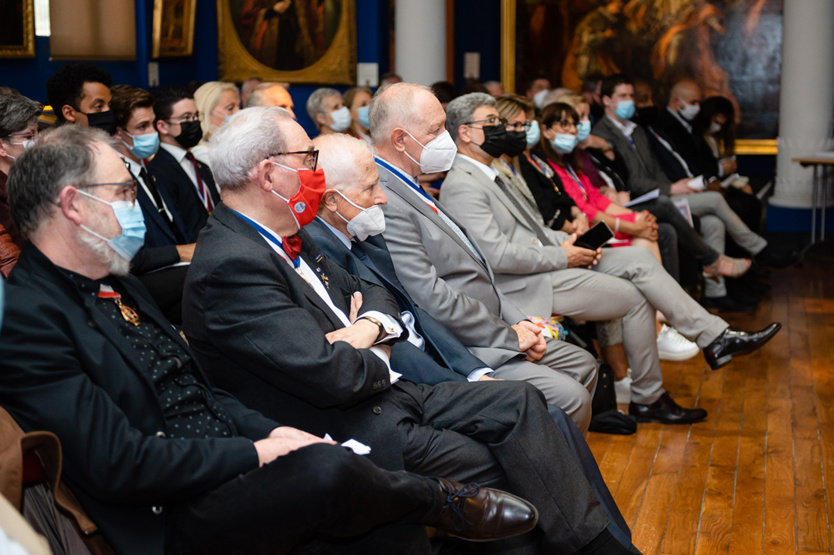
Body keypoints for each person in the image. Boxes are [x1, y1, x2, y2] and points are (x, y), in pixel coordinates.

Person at [0, 124, 537, 555]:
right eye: (121, 192)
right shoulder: (29, 321)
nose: (131, 204)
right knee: (339, 474)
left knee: (353, 487)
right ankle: (439, 501)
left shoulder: (117, 282)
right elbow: (119, 463)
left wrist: (282, 434)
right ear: (72, 205)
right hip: (173, 508)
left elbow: (206, 396)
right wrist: (255, 451)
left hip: (221, 458)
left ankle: (424, 503)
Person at [181, 106, 635, 554]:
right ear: (268, 174)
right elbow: (332, 374)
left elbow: (379, 298)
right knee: (505, 463)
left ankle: (596, 546)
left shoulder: (282, 234)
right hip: (347, 422)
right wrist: (376, 340)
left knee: (523, 402)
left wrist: (364, 330)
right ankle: (596, 549)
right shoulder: (231, 263)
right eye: (307, 160)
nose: (314, 172)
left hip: (389, 394)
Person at [308, 130, 638, 549]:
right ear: (331, 200)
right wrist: (470, 379)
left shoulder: (363, 241)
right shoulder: (320, 250)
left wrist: (473, 370)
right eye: (371, 187)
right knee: (547, 419)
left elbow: (412, 314)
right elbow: (407, 328)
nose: (383, 198)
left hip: (440, 367)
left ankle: (605, 543)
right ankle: (593, 544)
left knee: (548, 417)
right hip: (397, 396)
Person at [437, 91, 781, 424]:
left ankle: (714, 338)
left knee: (639, 260)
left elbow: (535, 228)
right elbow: (496, 257)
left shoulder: (494, 171)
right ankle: (650, 396)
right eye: (492, 121)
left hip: (546, 262)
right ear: (465, 132)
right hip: (526, 282)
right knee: (634, 297)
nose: (502, 127)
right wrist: (563, 254)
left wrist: (571, 240)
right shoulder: (464, 183)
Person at [592, 75, 797, 300]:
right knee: (716, 200)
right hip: (643, 199)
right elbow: (631, 180)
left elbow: (655, 169)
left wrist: (673, 186)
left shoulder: (636, 130)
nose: (629, 101)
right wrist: (670, 189)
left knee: (713, 223)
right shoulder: (602, 134)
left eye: (631, 96)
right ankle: (754, 250)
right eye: (623, 96)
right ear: (606, 100)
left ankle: (716, 294)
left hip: (663, 190)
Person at [109, 85, 195, 323]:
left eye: (152, 123)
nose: (152, 133)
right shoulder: (115, 180)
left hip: (173, 271)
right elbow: (126, 257)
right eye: (141, 127)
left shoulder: (150, 171)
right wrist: (182, 252)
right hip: (138, 281)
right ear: (117, 133)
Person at [0, 92, 41, 248]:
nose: (38, 142)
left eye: (38, 133)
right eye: (29, 137)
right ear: (1, 146)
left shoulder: (29, 182)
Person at [45, 63, 114, 132]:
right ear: (69, 113)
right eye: (98, 106)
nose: (108, 111)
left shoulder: (108, 141)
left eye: (110, 105)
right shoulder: (55, 143)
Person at [192, 81, 240, 163]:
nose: (238, 112)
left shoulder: (230, 145)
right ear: (206, 112)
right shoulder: (201, 153)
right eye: (230, 108)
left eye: (239, 106)